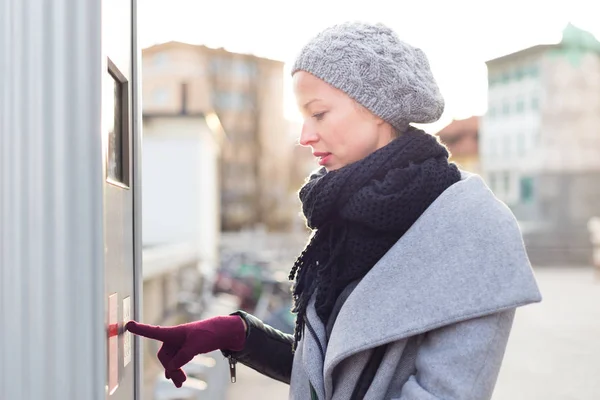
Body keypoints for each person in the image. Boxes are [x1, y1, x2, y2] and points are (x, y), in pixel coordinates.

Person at [126, 21, 542, 399]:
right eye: (302, 117)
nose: (305, 136)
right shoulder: (342, 216)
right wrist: (239, 334)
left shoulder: (472, 229)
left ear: (378, 107)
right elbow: (335, 374)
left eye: (319, 113)